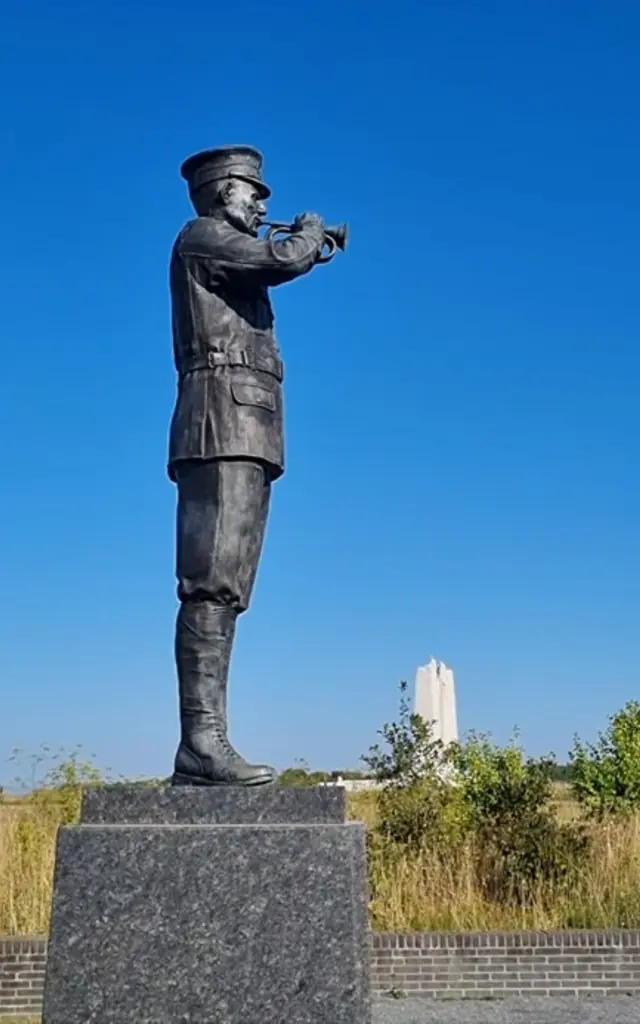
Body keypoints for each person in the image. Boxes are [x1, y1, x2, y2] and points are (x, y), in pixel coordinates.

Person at [168, 145, 326, 785]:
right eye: (251, 190)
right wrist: (309, 233)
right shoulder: (203, 237)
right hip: (219, 428)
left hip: (248, 431)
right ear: (218, 191)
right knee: (210, 583)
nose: (262, 202)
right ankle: (200, 743)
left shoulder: (223, 250)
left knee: (229, 589)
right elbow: (279, 259)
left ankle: (206, 741)